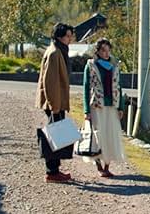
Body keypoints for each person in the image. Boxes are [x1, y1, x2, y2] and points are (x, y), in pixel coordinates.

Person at [37, 23, 75, 183]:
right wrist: (54, 106)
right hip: (55, 102)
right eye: (67, 36)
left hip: (57, 102)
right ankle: (52, 172)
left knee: (57, 135)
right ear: (59, 37)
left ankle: (54, 170)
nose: (70, 39)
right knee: (53, 135)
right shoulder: (54, 53)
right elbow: (50, 82)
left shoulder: (59, 50)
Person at [82, 38, 126, 177]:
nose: (106, 53)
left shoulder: (114, 65)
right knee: (98, 135)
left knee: (110, 135)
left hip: (112, 105)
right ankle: (99, 165)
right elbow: (86, 87)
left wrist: (121, 107)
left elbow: (119, 86)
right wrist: (86, 110)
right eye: (103, 50)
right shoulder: (91, 65)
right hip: (97, 105)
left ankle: (107, 165)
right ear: (97, 51)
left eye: (108, 50)